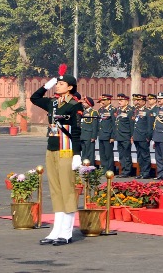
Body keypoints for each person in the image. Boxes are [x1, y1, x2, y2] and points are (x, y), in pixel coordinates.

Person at [30, 66, 83, 246]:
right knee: (55, 190)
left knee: (67, 190)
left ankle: (66, 232)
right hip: (52, 149)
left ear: (70, 87)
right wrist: (46, 85)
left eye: (61, 84)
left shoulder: (75, 105)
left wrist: (77, 155)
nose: (57, 86)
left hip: (66, 150)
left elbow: (76, 132)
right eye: (57, 84)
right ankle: (56, 230)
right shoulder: (53, 103)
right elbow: (34, 98)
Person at [131, 94, 153, 178]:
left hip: (144, 137)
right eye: (136, 100)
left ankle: (146, 173)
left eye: (139, 101)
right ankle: (141, 172)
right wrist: (133, 136)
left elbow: (149, 126)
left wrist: (148, 137)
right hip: (137, 136)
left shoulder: (148, 111)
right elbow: (135, 125)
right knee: (139, 155)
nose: (137, 102)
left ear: (144, 102)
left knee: (145, 155)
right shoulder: (136, 111)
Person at [112, 94, 133, 178]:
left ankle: (127, 171)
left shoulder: (130, 111)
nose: (119, 102)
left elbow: (131, 125)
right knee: (121, 155)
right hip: (119, 136)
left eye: (121, 101)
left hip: (126, 136)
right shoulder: (118, 110)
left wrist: (132, 136)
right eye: (119, 100)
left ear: (127, 102)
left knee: (126, 155)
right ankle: (123, 170)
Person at [96, 95, 115, 173]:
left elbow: (114, 124)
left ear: (109, 101)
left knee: (108, 154)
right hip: (101, 134)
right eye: (101, 101)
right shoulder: (100, 110)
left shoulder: (113, 110)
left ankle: (110, 170)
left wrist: (112, 136)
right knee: (102, 154)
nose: (102, 102)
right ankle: (104, 169)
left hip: (108, 135)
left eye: (104, 100)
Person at [79, 96, 99, 166]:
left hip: (89, 135)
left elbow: (95, 125)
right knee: (84, 152)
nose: (83, 104)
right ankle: (84, 166)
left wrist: (94, 136)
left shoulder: (93, 112)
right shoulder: (83, 112)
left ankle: (90, 167)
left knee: (90, 152)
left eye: (85, 102)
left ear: (89, 103)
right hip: (82, 135)